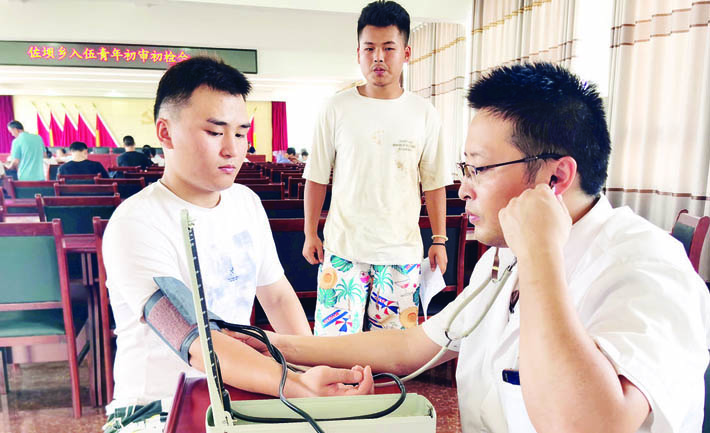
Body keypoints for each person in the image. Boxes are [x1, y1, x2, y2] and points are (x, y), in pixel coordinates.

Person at [243, 63, 710, 433]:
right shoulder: (500, 259)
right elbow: (413, 344)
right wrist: (275, 345)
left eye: (478, 169)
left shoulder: (649, 268)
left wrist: (540, 256)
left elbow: (587, 425)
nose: (464, 189)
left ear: (555, 178)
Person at [102, 56, 372, 432]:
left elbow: (276, 296)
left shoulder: (245, 203)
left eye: (241, 133)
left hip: (240, 392)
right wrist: (296, 385)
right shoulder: (136, 222)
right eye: (215, 133)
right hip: (158, 408)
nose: (232, 149)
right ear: (165, 132)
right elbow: (193, 338)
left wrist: (312, 368)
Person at [302, 0, 451, 336]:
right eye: (369, 48)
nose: (378, 57)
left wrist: (439, 240)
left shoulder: (424, 113)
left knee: (393, 351)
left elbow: (434, 183)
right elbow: (317, 177)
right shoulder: (335, 108)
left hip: (402, 253)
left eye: (388, 48)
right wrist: (310, 232)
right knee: (335, 348)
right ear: (358, 53)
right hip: (343, 250)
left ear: (406, 53)